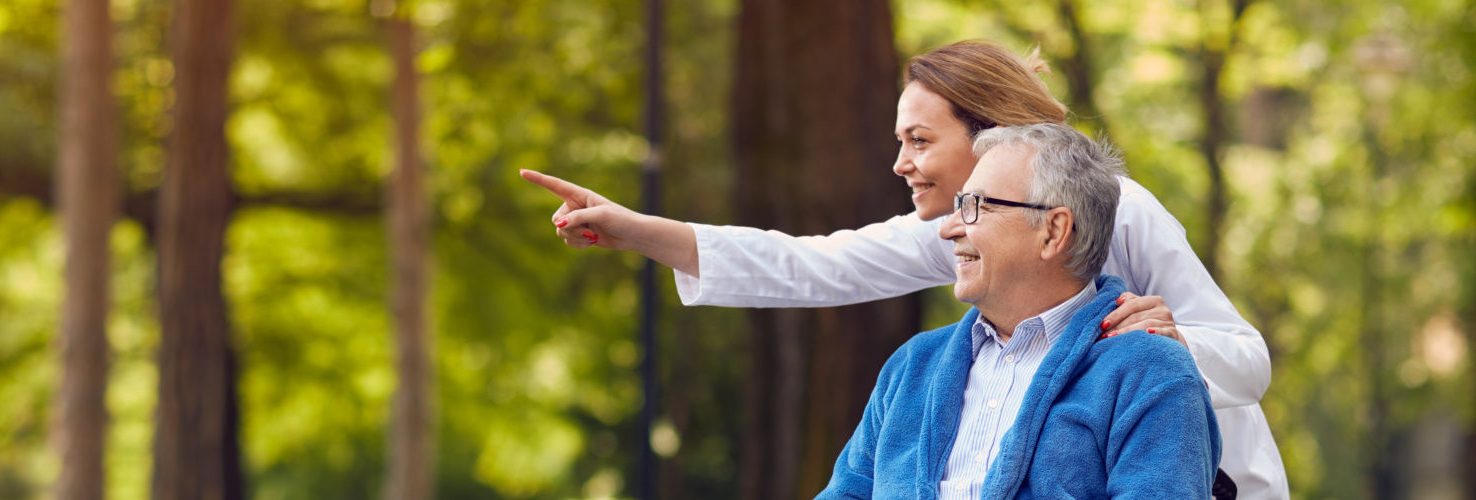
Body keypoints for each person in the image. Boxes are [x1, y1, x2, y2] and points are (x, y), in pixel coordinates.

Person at [520, 40, 1285, 498]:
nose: (901, 162)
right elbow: (808, 267)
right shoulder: (950, 248)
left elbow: (1246, 362)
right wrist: (634, 230)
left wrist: (1176, 340)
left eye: (919, 140)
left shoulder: (1120, 210)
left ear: (991, 134)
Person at [818, 123, 1219, 499]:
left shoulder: (1152, 373)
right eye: (958, 205)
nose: (948, 228)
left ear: (1054, 231)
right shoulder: (911, 366)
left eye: (975, 206)